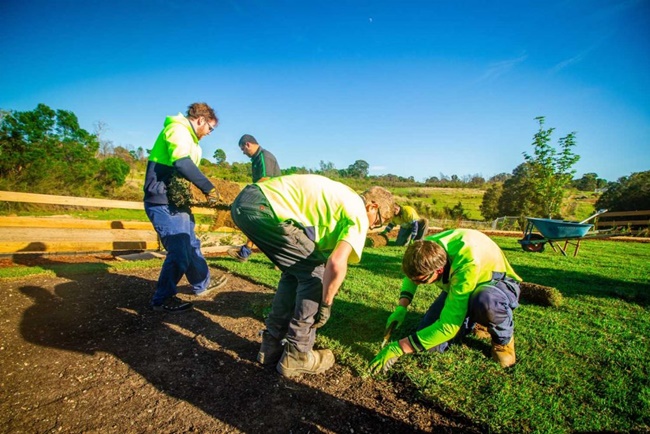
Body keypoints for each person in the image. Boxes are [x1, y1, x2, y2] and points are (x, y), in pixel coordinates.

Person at [230, 175, 394, 377]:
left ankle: (271, 345)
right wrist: (326, 304)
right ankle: (298, 353)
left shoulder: (343, 196)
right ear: (372, 206)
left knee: (296, 271)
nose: (372, 228)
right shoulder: (358, 213)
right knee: (316, 273)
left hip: (245, 203)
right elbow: (335, 263)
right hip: (265, 209)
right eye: (377, 222)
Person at [370, 229, 521, 374]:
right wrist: (401, 307)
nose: (417, 284)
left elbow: (448, 326)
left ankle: (503, 342)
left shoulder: (467, 262)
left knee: (485, 301)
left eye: (422, 281)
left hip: (497, 285)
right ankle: (473, 318)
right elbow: (412, 276)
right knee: (431, 345)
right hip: (461, 284)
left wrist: (399, 347)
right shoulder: (424, 248)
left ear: (439, 270)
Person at [143, 102, 227, 313]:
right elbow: (181, 162)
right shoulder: (177, 129)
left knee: (191, 245)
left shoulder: (192, 140)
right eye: (210, 128)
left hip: (177, 202)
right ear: (201, 120)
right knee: (179, 251)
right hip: (162, 202)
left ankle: (202, 283)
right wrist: (208, 188)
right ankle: (162, 300)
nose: (209, 133)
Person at [228, 134, 281, 262]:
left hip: (271, 196)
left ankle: (278, 257)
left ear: (248, 144)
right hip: (264, 195)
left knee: (256, 220)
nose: (243, 152)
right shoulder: (256, 158)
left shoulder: (264, 156)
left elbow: (265, 179)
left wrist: (247, 192)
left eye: (243, 149)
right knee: (257, 222)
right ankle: (245, 252)